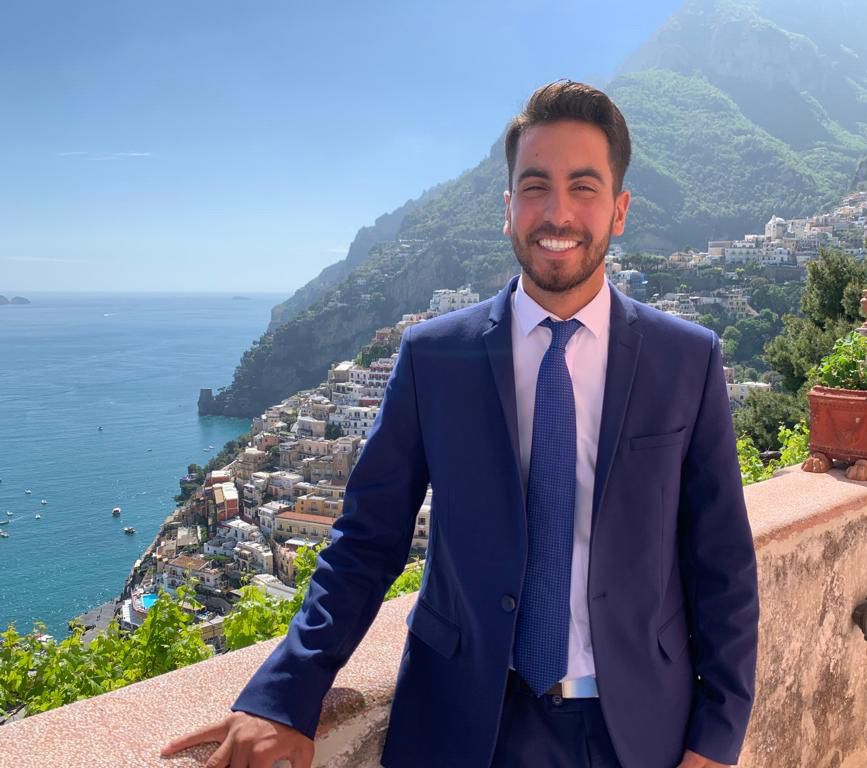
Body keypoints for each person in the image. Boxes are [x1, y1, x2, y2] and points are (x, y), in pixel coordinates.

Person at [162, 80, 759, 768]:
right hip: (462, 725)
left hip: (637, 732)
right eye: (535, 187)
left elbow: (721, 562)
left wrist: (716, 739)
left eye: (584, 187)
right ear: (507, 209)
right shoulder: (434, 357)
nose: (557, 212)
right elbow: (367, 539)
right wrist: (285, 693)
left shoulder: (685, 360)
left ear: (619, 210)